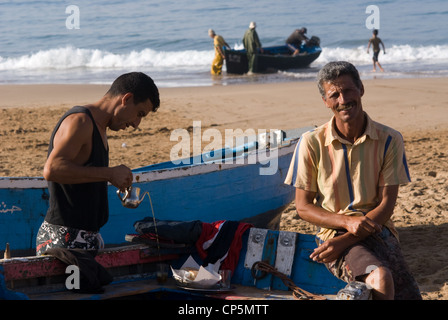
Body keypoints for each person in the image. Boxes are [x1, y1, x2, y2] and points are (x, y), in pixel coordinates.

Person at [285, 61, 421, 300]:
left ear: (361, 89)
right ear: (326, 102)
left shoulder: (389, 139)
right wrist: (345, 225)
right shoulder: (311, 142)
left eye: (348, 90)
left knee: (407, 294)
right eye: (334, 95)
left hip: (379, 231)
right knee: (380, 276)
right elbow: (303, 207)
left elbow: (387, 205)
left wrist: (351, 234)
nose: (343, 100)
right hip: (333, 235)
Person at [36, 72, 160, 256]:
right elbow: (52, 169)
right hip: (63, 239)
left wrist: (112, 177)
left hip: (85, 238)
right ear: (126, 99)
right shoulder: (81, 121)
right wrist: (109, 174)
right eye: (139, 114)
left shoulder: (99, 126)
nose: (136, 124)